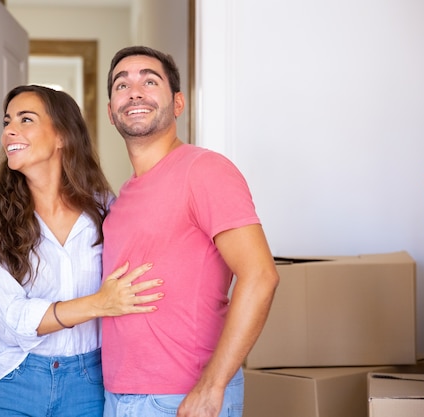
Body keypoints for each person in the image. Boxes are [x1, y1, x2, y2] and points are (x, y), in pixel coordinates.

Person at [0, 84, 164, 417]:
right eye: (7, 121)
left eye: (26, 119)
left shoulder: (104, 209)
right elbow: (12, 319)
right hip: (11, 382)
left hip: (89, 383)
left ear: (62, 137)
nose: (9, 130)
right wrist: (98, 304)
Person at [101, 46, 280, 417]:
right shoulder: (119, 203)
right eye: (122, 85)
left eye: (149, 81)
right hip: (119, 398)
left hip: (182, 399)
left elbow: (261, 276)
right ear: (110, 113)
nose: (134, 92)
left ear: (178, 103)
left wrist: (212, 386)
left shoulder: (204, 170)